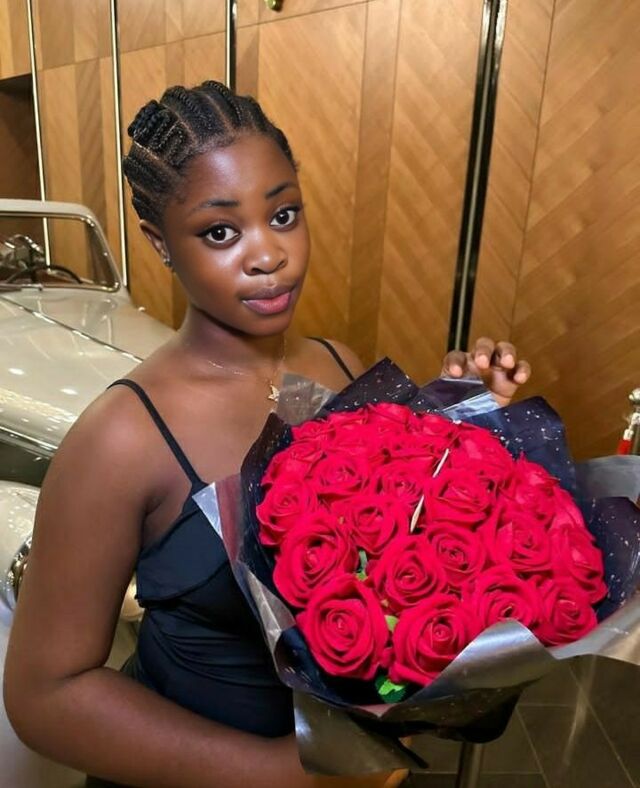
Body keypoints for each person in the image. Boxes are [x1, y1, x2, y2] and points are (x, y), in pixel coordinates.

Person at [3, 81, 531, 788]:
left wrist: (467, 423)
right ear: (161, 243)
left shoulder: (341, 365)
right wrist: (275, 772)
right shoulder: (122, 438)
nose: (268, 255)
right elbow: (46, 696)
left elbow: (409, 550)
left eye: (283, 214)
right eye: (221, 232)